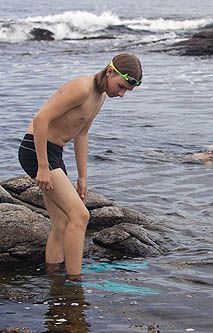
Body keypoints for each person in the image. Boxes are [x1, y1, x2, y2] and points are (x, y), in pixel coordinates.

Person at [18, 53, 143, 280]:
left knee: (62, 221)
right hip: (36, 151)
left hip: (54, 153)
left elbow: (82, 134)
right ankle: (75, 283)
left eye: (127, 91)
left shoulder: (100, 96)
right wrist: (43, 167)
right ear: (109, 72)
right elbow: (40, 119)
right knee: (80, 215)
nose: (122, 93)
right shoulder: (82, 87)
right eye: (121, 86)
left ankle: (54, 277)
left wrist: (82, 177)